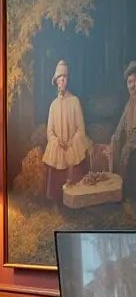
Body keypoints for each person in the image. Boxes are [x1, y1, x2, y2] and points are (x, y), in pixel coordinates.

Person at [43, 59, 89, 202]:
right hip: (58, 147)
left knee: (75, 180)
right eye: (59, 78)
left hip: (72, 146)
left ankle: (74, 203)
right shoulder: (53, 106)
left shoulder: (75, 101)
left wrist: (71, 142)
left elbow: (81, 128)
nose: (62, 80)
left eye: (65, 77)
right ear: (56, 81)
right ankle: (56, 201)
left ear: (67, 80)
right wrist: (57, 141)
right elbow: (50, 132)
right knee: (55, 168)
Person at [108, 60, 136, 201]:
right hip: (130, 148)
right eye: (130, 82)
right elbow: (120, 127)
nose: (133, 86)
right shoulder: (128, 105)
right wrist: (113, 140)